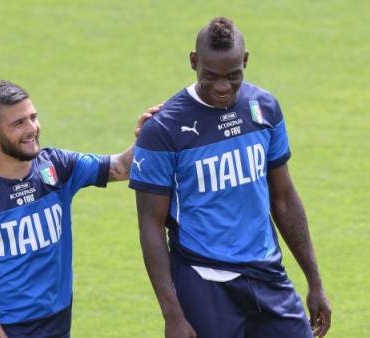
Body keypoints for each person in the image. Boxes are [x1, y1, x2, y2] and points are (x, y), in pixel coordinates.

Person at [129, 17, 331, 338]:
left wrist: (315, 282)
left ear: (246, 61)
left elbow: (284, 197)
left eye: (233, 76)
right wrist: (173, 315)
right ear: (194, 62)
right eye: (210, 76)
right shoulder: (163, 129)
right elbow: (150, 225)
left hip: (267, 273)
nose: (222, 87)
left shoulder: (265, 108)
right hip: (203, 278)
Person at [0, 80, 158, 338]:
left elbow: (122, 167)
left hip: (56, 320)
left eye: (33, 117)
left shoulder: (57, 166)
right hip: (5, 327)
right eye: (18, 123)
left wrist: (148, 135)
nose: (31, 129)